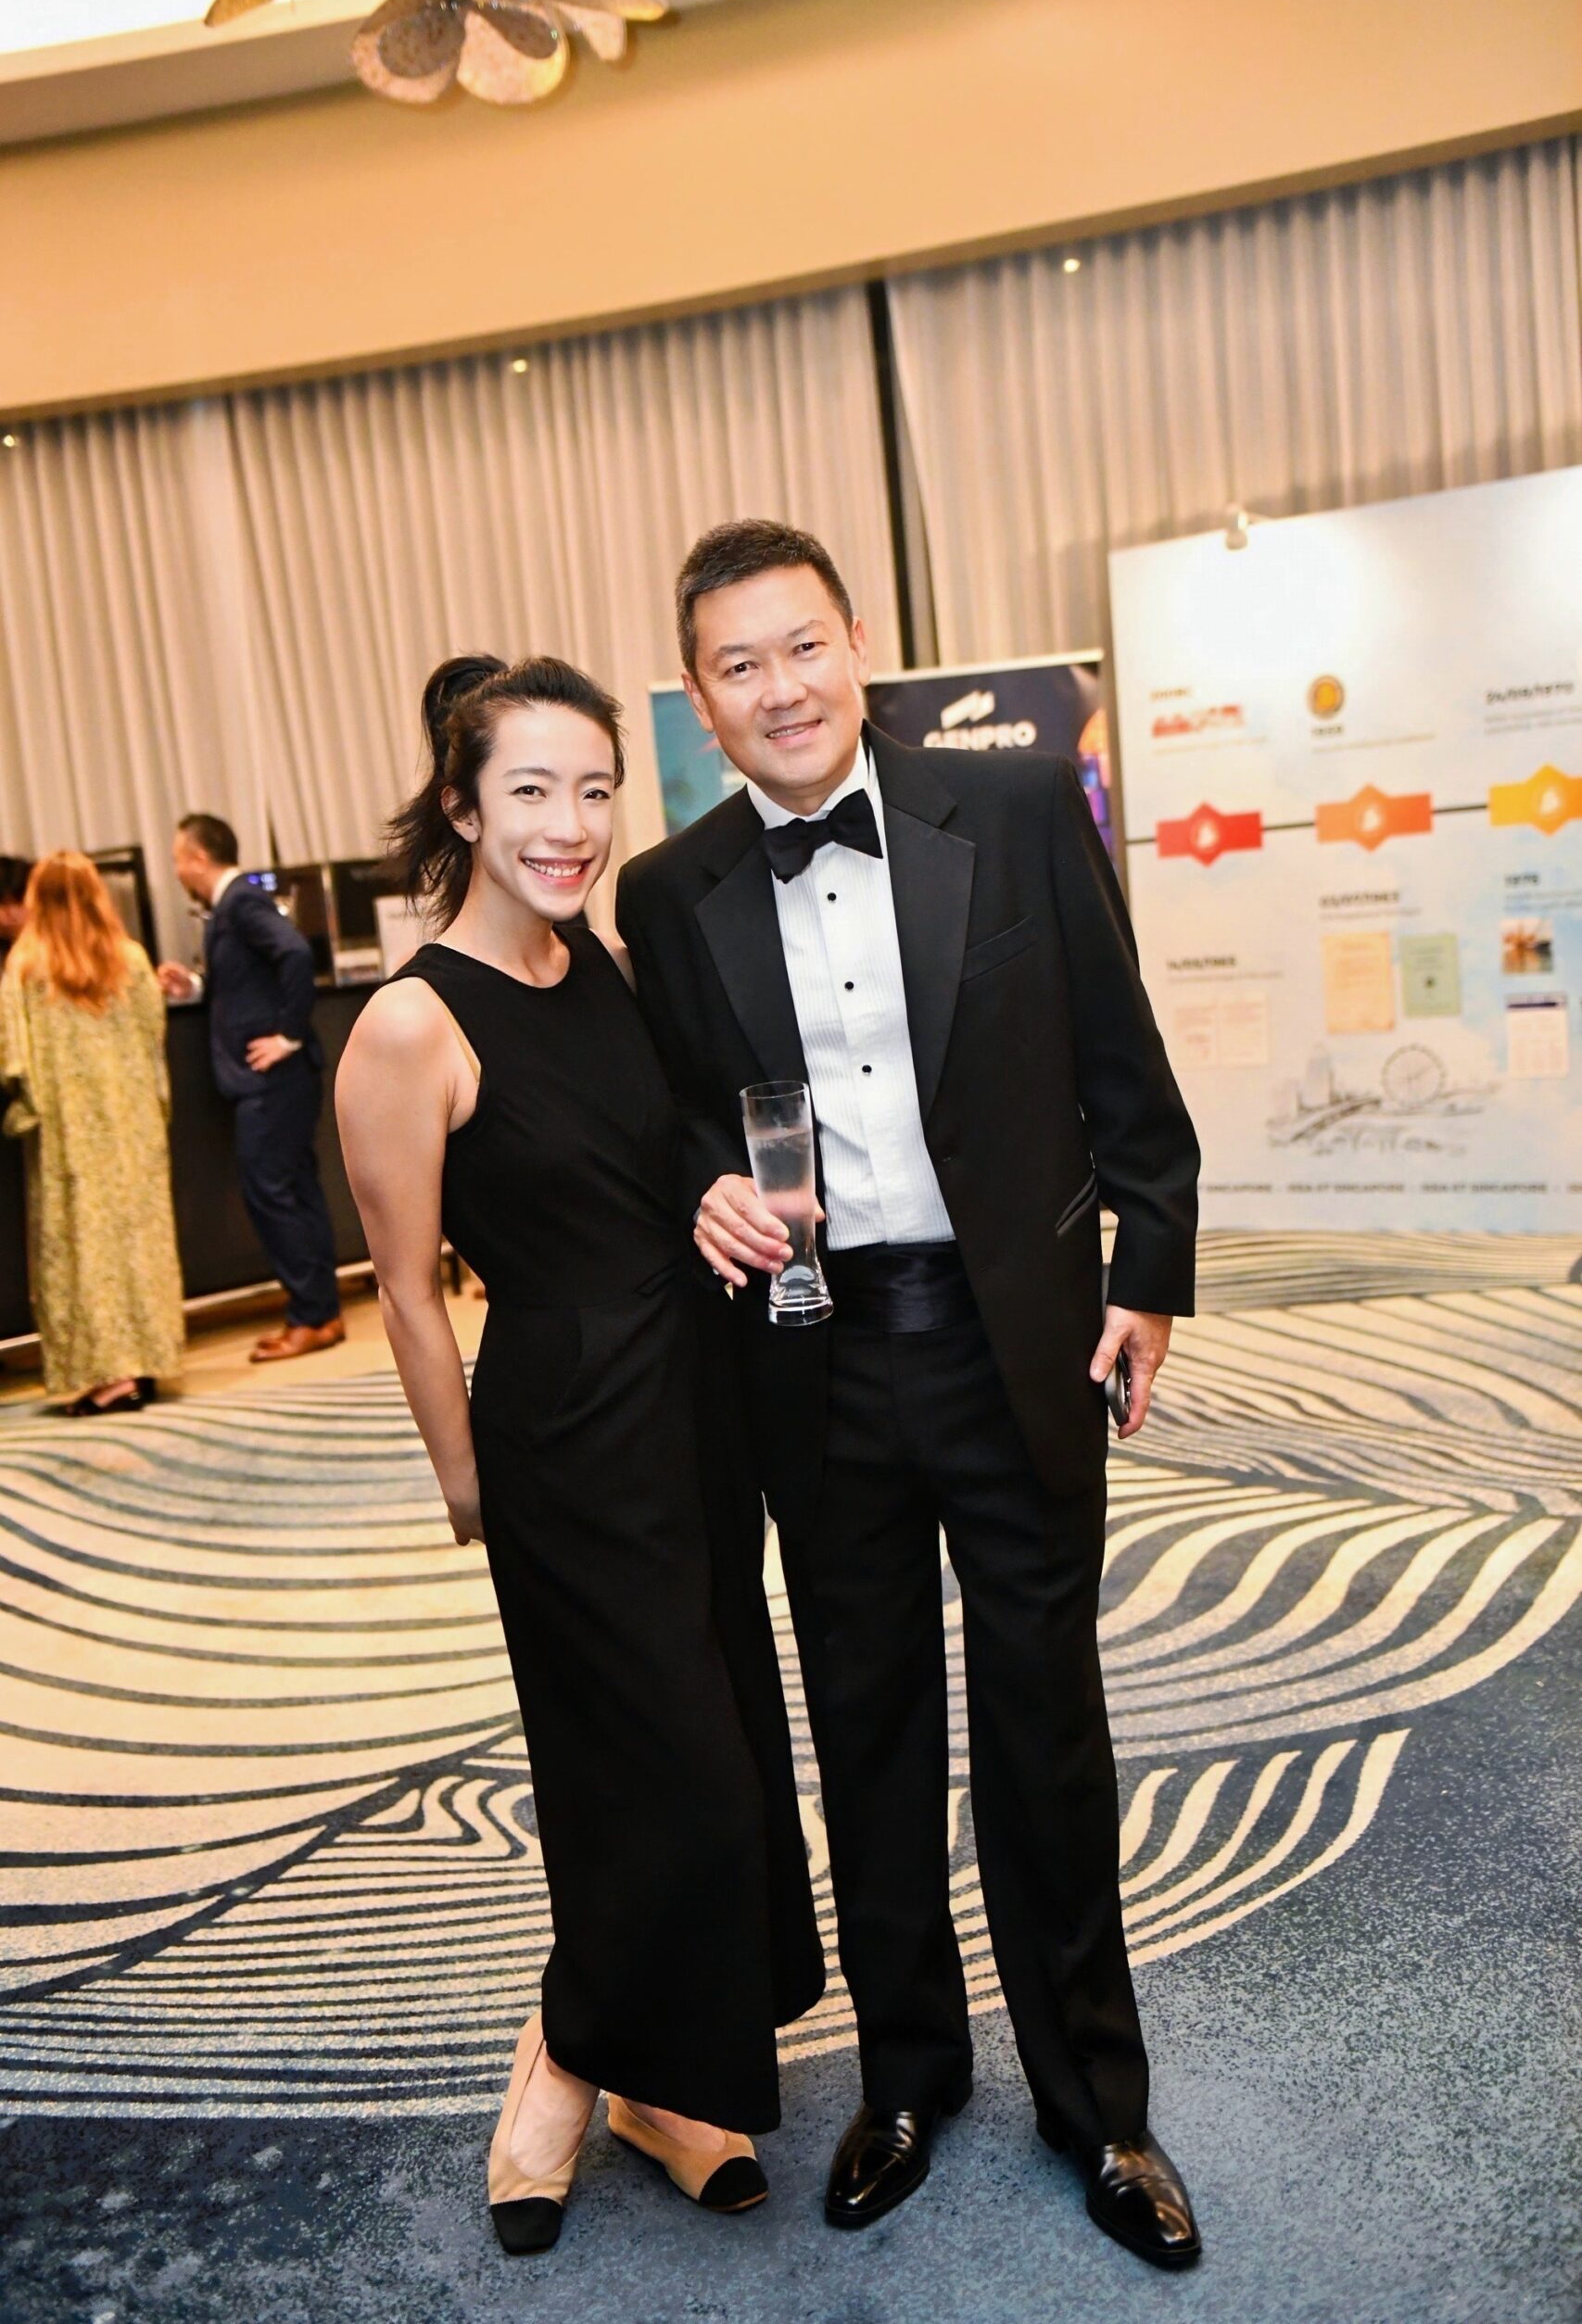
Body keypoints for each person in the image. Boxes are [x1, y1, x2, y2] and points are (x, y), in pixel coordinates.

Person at [615, 520, 1204, 2268]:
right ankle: (905, 2077)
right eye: (738, 665)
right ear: (700, 700)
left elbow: (1121, 1059)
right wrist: (696, 1187)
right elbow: (671, 1119)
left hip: (1013, 1337)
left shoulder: (1011, 810)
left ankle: (1097, 2107)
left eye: (801, 646)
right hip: (811, 1355)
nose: (780, 688)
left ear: (856, 643)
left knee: (1045, 1724)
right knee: (865, 1728)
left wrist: (1148, 1272)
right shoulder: (666, 893)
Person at [335, 654, 823, 2256]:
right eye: (531, 790)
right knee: (660, 1773)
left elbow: (671, 1149)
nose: (569, 823)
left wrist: (719, 1193)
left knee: (709, 1750)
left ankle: (654, 2092)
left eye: (595, 789)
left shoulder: (604, 966)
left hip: (694, 1412)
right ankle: (562, 2063)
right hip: (560, 1434)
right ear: (462, 807)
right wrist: (465, 1483)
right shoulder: (409, 1023)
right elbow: (406, 1290)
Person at [1, 852, 184, 1414]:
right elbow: (154, 1039)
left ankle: (108, 1376)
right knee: (140, 1243)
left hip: (69, 1139)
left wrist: (28, 1109)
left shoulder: (27, 965)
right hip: (133, 1129)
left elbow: (14, 1058)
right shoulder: (130, 959)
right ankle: (143, 1364)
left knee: (83, 1251)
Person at [158, 815, 344, 1362]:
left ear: (198, 858)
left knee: (273, 1193)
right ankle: (322, 1312)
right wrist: (195, 984)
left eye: (178, 859)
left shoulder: (239, 901)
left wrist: (288, 1035)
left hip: (273, 1080)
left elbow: (295, 953)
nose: (176, 871)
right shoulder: (231, 907)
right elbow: (248, 980)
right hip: (281, 1081)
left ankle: (311, 1316)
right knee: (296, 1190)